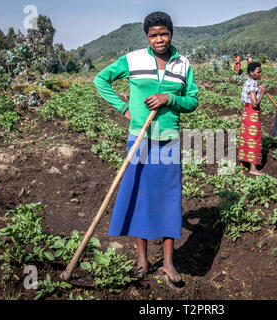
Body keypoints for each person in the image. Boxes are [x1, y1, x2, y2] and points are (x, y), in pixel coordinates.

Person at [93, 11, 199, 283]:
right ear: (147, 37)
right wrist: (123, 108)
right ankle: (142, 262)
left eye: (164, 34)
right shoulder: (133, 60)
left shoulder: (183, 64)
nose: (159, 39)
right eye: (153, 35)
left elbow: (193, 101)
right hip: (139, 138)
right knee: (140, 198)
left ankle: (167, 263)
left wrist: (169, 98)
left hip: (169, 142)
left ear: (171, 33)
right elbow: (100, 80)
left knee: (169, 200)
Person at [238, 62, 267, 176]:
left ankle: (242, 164)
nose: (261, 74)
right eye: (258, 72)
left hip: (246, 113)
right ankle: (253, 168)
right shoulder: (252, 85)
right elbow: (254, 104)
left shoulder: (250, 82)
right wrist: (263, 93)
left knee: (245, 137)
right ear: (251, 73)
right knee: (253, 139)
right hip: (252, 114)